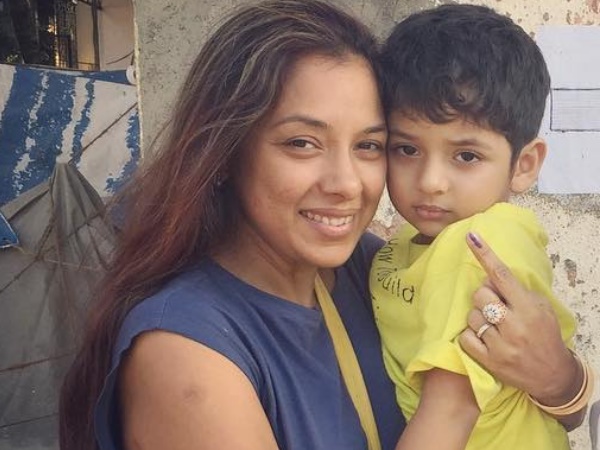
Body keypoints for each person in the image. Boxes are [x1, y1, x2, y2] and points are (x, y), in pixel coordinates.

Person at [59, 1, 587, 450]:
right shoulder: (190, 354)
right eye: (302, 143)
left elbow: (533, 410)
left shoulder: (371, 269)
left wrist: (559, 378)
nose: (345, 183)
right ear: (224, 152)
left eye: (369, 145)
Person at [371, 4, 593, 450]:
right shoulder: (403, 247)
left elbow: (451, 410)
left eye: (466, 156)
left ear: (524, 165)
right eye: (407, 149)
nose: (431, 182)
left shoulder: (478, 245)